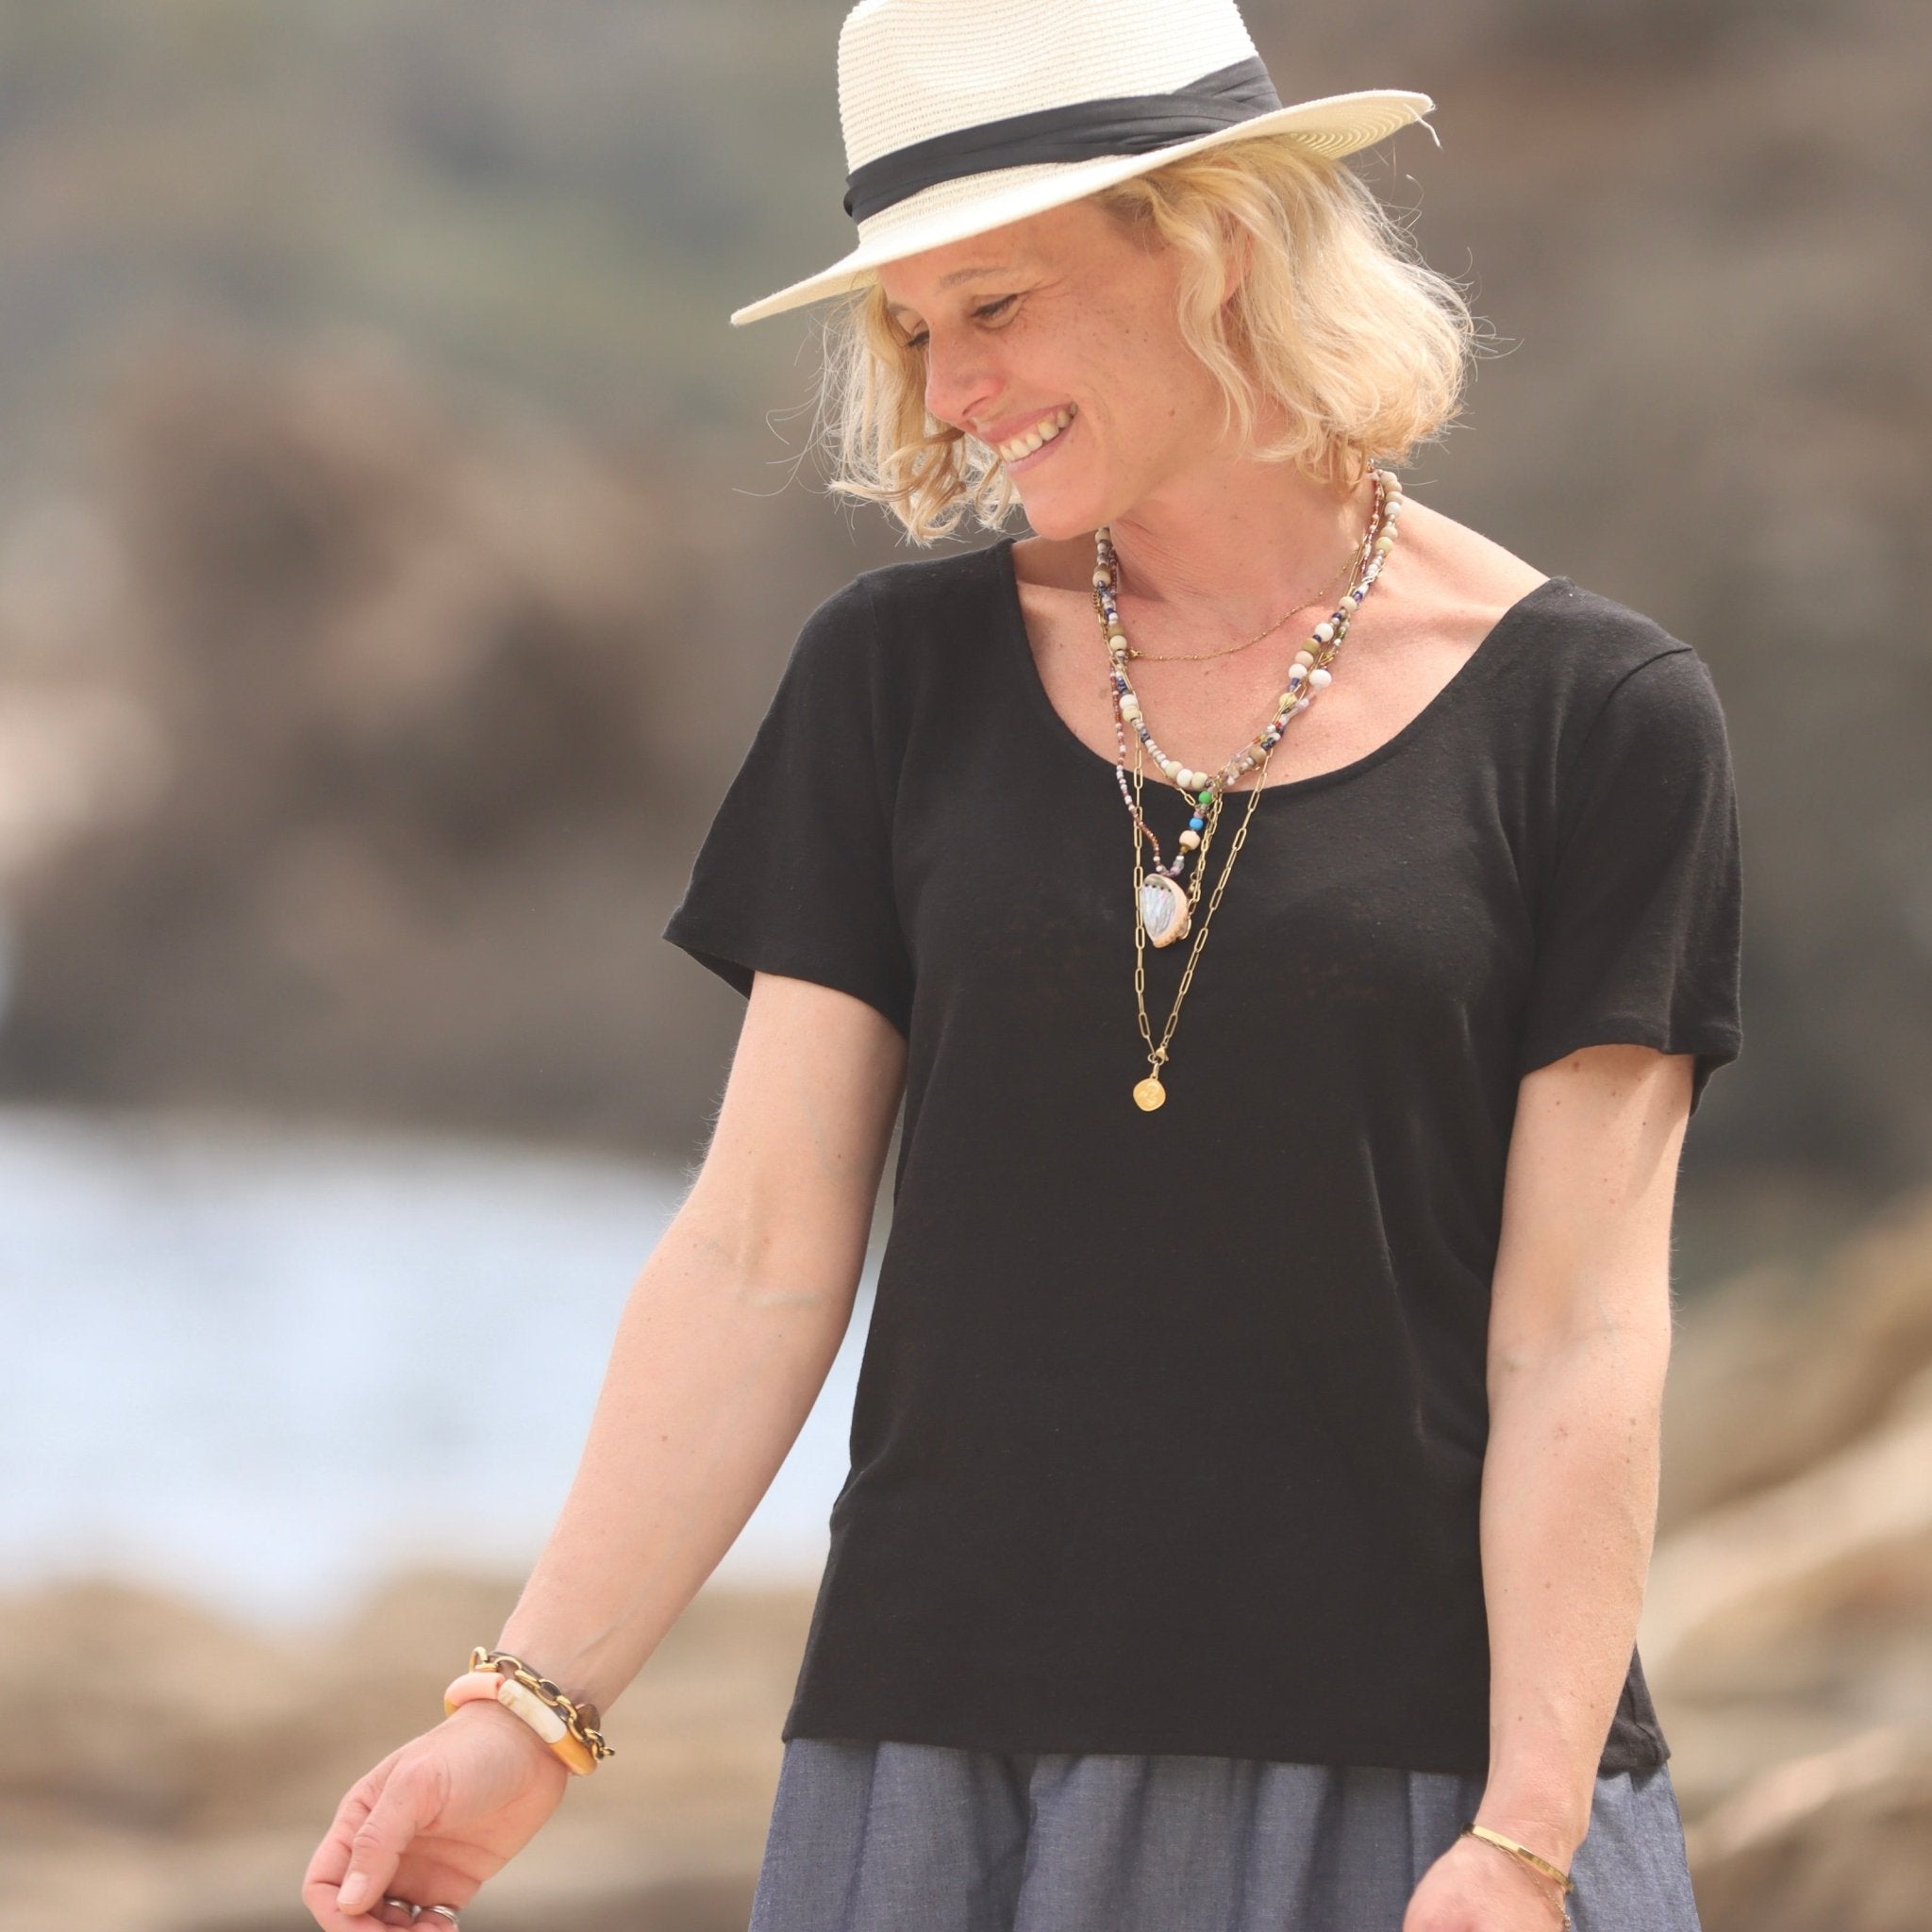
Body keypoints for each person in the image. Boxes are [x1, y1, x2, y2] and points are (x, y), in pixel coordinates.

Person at [303, 2, 1742, 1928]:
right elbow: (756, 1253)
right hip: (944, 1791)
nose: (951, 385)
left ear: (1215, 244)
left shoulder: (1599, 718)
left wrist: (1528, 1833)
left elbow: (1579, 1333)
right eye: (912, 328)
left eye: (993, 305)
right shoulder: (891, 682)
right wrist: (523, 1713)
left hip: (1421, 1794)